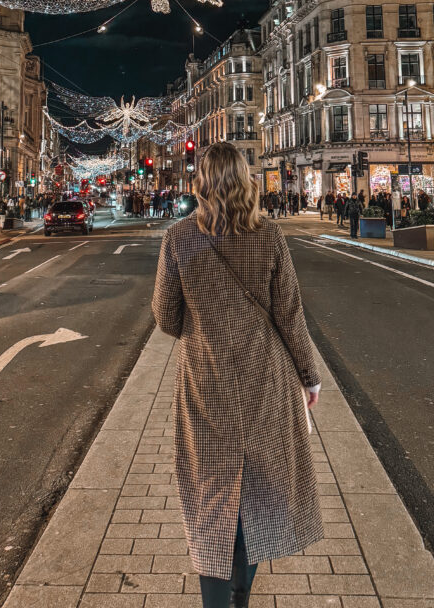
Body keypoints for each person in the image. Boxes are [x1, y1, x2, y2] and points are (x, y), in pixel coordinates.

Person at [152, 142, 323, 608]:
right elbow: (289, 314)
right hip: (263, 381)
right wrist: (309, 378)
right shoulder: (269, 237)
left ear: (201, 182)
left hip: (205, 383)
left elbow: (166, 317)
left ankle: (214, 598)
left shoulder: (179, 238)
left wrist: (204, 323)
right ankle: (240, 594)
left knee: (209, 492)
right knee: (257, 487)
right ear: (245, 181)